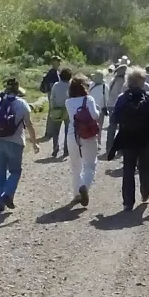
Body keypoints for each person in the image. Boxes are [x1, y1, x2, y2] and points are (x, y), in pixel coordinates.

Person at [107, 67, 149, 211]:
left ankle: (128, 201)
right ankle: (145, 192)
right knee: (145, 167)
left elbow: (114, 118)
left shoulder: (122, 98)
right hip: (146, 139)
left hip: (127, 138)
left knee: (128, 169)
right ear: (141, 81)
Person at [0, 77, 40, 211]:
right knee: (15, 171)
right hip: (15, 142)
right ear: (18, 91)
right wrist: (34, 143)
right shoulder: (23, 104)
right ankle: (7, 193)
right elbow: (29, 125)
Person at [64, 75, 102, 207]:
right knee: (90, 165)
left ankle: (76, 194)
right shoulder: (88, 99)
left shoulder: (68, 102)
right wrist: (96, 108)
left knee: (75, 166)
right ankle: (84, 186)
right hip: (88, 135)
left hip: (72, 135)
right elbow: (95, 115)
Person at [44, 67, 72, 158]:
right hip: (68, 109)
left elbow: (52, 97)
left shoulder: (56, 85)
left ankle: (55, 147)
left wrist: (52, 108)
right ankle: (66, 150)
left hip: (57, 109)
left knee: (56, 130)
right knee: (68, 131)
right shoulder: (71, 85)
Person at [105, 61, 129, 154]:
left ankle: (109, 146)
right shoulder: (123, 81)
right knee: (122, 127)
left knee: (112, 126)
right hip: (120, 106)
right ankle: (120, 148)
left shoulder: (113, 80)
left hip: (111, 105)